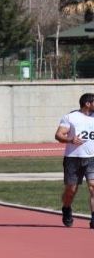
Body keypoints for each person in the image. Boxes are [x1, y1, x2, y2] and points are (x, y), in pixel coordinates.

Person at [54, 93, 94, 229]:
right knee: (71, 190)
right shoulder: (70, 117)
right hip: (73, 158)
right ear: (88, 104)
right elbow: (58, 135)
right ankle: (66, 208)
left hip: (92, 158)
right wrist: (71, 140)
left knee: (93, 187)